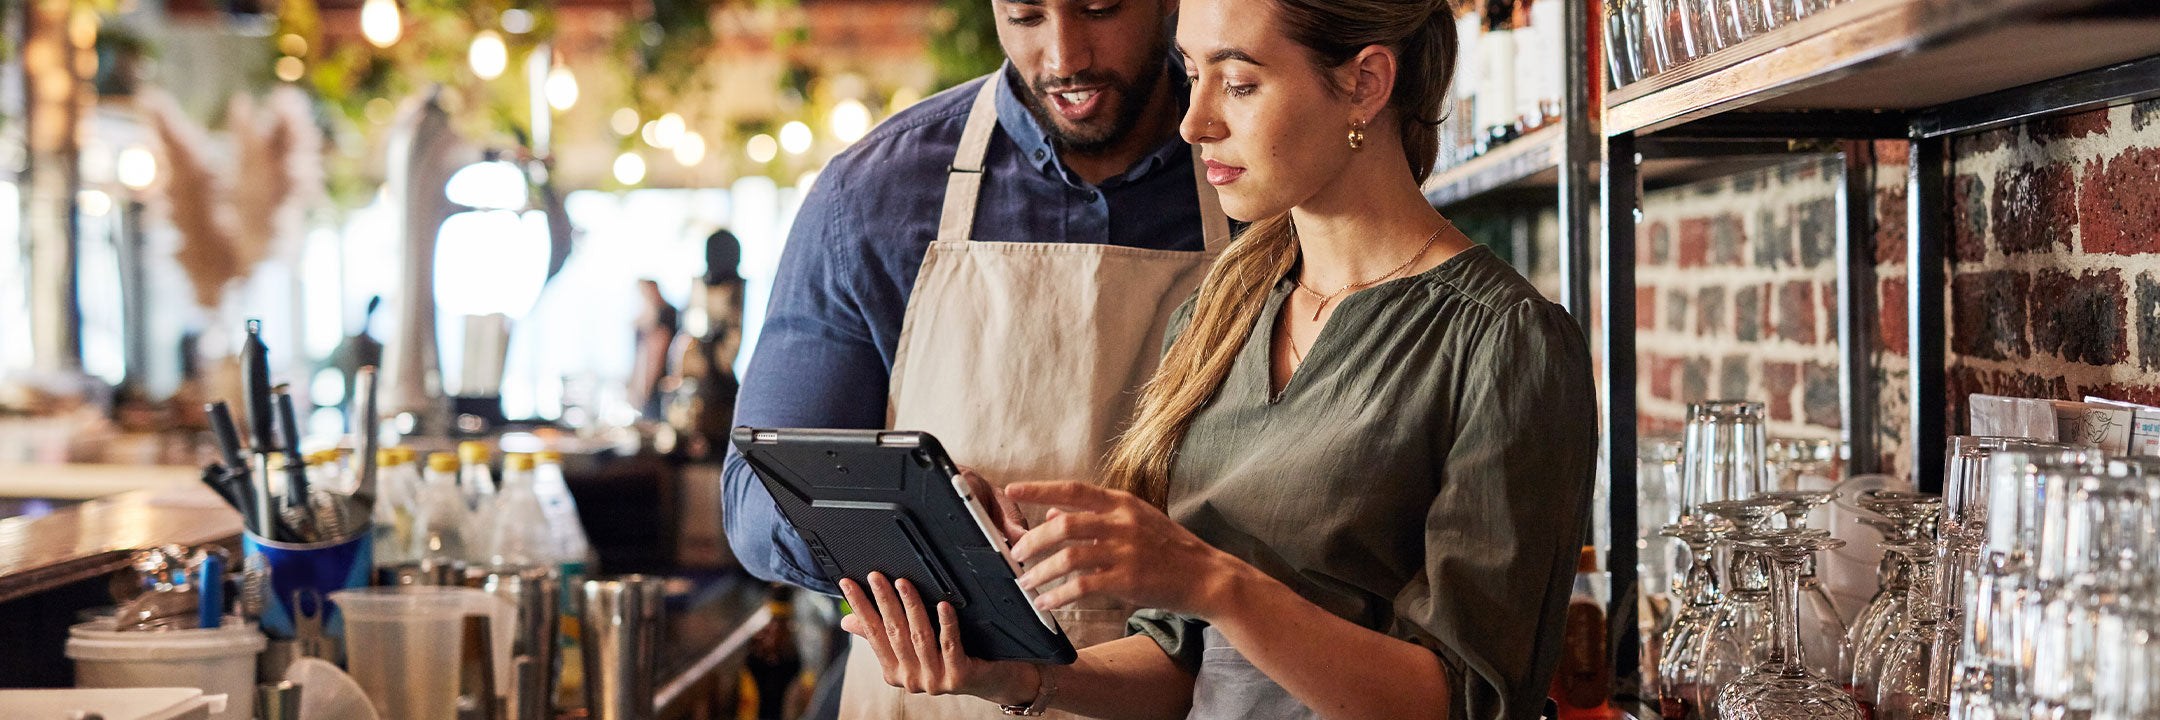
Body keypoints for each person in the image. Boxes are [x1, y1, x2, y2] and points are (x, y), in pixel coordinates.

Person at [833, 0, 1598, 718]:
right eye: (1194, 76)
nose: (1195, 123)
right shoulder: (1219, 314)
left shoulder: (1504, 343)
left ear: (1365, 83)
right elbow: (1184, 664)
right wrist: (1014, 674)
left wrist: (1212, 579)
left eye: (1238, 83)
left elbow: (1467, 699)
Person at [718, 0, 1233, 716]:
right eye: (1026, 15)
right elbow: (754, 497)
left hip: (1196, 693)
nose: (1064, 56)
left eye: (1099, 7)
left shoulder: (1256, 170)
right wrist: (911, 524)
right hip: (938, 696)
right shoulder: (873, 194)